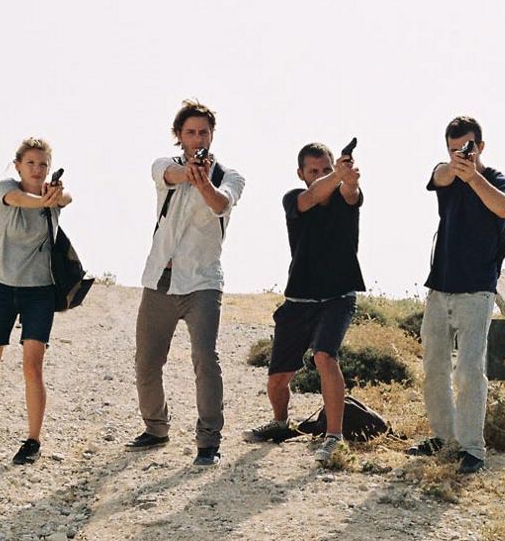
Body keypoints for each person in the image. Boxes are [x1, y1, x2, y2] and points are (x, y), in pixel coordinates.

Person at [126, 99, 246, 466]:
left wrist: (205, 181)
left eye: (203, 132)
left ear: (212, 136)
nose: (197, 138)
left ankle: (208, 441)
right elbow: (169, 176)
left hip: (203, 281)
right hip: (160, 277)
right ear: (179, 136)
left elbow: (220, 205)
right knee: (147, 361)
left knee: (205, 359)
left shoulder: (231, 177)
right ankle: (156, 428)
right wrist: (189, 173)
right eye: (190, 132)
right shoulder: (164, 165)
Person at [244, 142, 363, 465]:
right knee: (278, 379)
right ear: (301, 174)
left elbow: (351, 191)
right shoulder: (293, 198)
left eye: (326, 169)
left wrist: (348, 178)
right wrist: (337, 175)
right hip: (298, 299)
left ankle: (334, 437)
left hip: (338, 296)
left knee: (325, 356)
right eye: (315, 171)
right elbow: (310, 198)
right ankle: (281, 424)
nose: (322, 175)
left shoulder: (345, 196)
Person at [409, 116, 505, 474]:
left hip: (476, 291)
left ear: (480, 146)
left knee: (469, 370)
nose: (461, 154)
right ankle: (443, 438)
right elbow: (437, 175)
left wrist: (474, 177)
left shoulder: (497, 181)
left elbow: (504, 207)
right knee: (434, 367)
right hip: (439, 288)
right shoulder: (448, 176)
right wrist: (456, 169)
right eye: (454, 149)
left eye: (467, 147)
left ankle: (472, 448)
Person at [0, 137, 72, 465]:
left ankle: (33, 439)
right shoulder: (7, 187)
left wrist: (58, 196)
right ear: (18, 165)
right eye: (31, 163)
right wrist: (47, 200)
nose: (37, 169)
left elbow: (67, 197)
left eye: (43, 165)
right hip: (3, 288)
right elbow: (19, 199)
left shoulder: (56, 197)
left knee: (32, 366)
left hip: (40, 291)